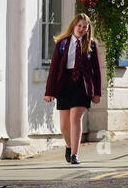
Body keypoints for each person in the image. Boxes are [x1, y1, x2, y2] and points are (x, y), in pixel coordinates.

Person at [43, 13, 102, 164]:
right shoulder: (62, 43)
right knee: (64, 124)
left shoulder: (92, 45)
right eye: (79, 26)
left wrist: (97, 93)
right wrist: (49, 91)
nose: (81, 29)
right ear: (73, 26)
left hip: (82, 84)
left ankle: (75, 154)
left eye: (85, 27)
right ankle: (69, 147)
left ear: (88, 29)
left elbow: (97, 70)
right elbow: (54, 68)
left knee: (75, 118)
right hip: (65, 83)